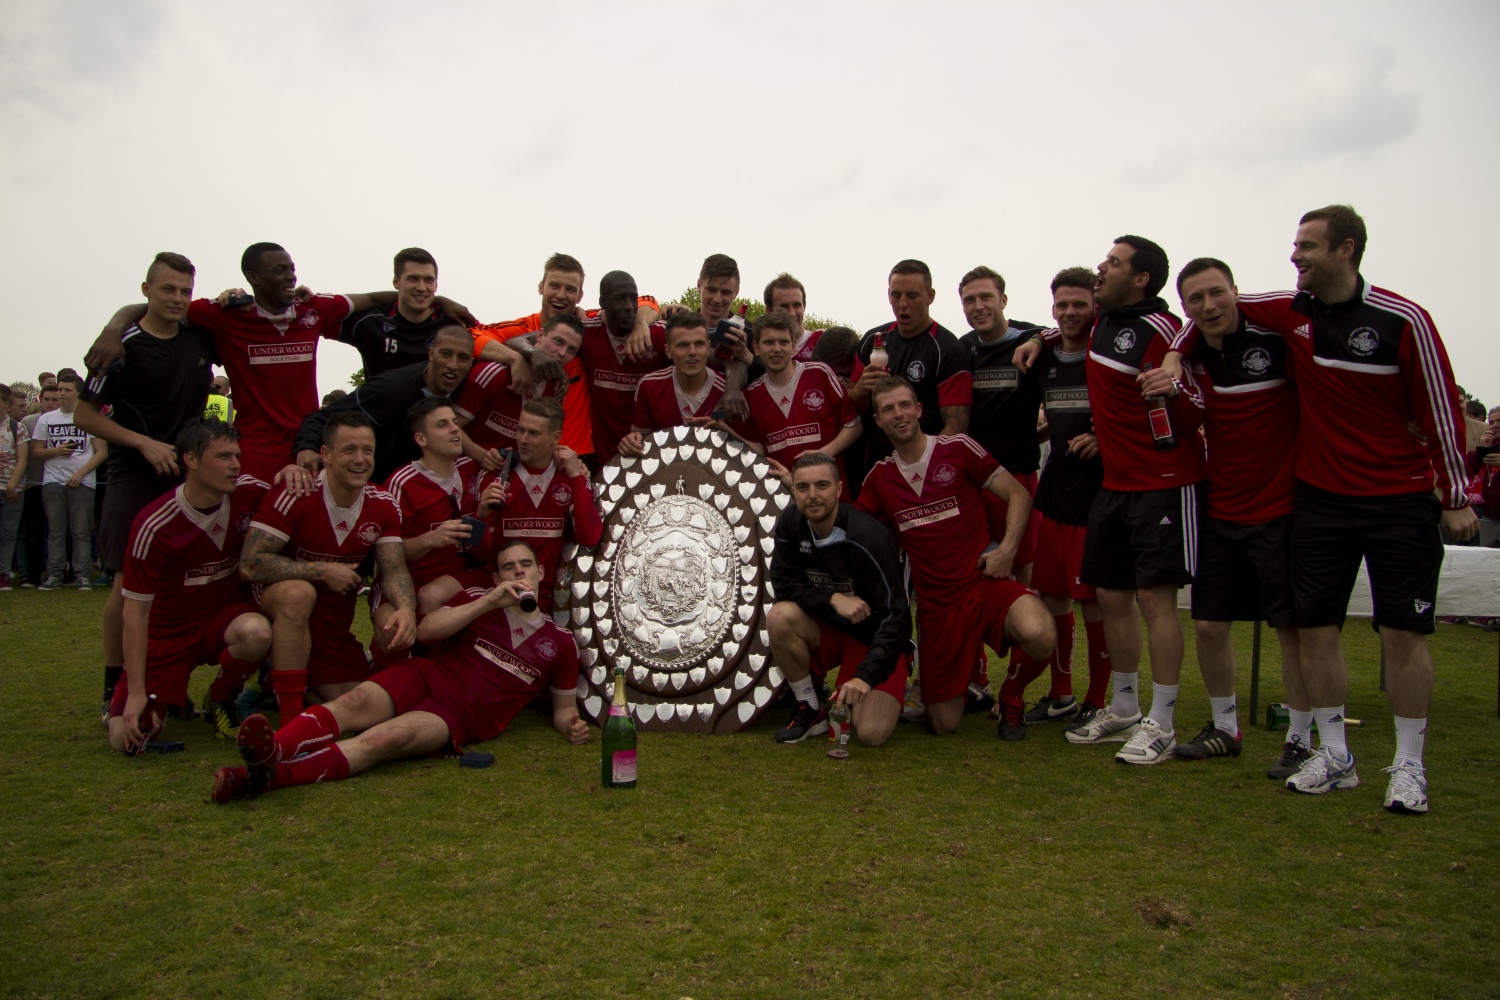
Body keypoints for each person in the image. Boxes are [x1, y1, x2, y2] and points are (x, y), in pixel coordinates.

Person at [1168, 205, 1476, 812]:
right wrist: (1177, 355)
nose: (1295, 256)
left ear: (1347, 250)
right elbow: (1212, 309)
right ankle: (1334, 756)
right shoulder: (1290, 309)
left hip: (1399, 498)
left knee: (1403, 633)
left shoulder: (1403, 319)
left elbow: (1439, 410)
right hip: (1319, 499)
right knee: (1315, 629)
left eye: (1307, 246)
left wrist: (1456, 497)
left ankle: (1409, 765)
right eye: (1294, 244)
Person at [212, 541, 588, 804]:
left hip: (462, 714)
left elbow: (563, 709)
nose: (518, 571)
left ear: (540, 571)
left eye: (525, 565)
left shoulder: (562, 642)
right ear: (496, 577)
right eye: (508, 566)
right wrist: (491, 601)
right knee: (354, 701)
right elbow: (426, 632)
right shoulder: (479, 600)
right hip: (429, 674)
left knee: (382, 741)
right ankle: (276, 748)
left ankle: (264, 777)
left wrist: (570, 724)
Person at [87, 242, 476, 484]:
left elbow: (369, 298)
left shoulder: (312, 309)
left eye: (292, 268)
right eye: (280, 271)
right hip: (255, 447)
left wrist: (442, 302)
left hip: (308, 443)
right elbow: (164, 308)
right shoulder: (225, 313)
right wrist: (113, 328)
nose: (291, 276)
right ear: (253, 277)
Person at [1038, 236, 1204, 765]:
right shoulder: (1101, 324)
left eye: (1112, 263)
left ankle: (1164, 719)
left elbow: (1197, 401)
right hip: (1114, 485)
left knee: (1156, 600)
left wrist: (1177, 379)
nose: (1100, 269)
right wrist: (1037, 340)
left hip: (1163, 481)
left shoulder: (1163, 330)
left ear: (1141, 279)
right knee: (1110, 598)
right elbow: (1064, 328)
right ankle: (1126, 706)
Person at [1156, 258, 1305, 769]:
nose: (1209, 306)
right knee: (1210, 626)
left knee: (1291, 630)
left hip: (1282, 508)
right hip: (1221, 508)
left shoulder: (1277, 342)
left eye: (1217, 293)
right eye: (1196, 299)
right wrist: (1176, 355)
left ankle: (1302, 737)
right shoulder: (1194, 356)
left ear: (1236, 291)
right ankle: (1225, 728)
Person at [854, 376, 1054, 735]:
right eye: (887, 409)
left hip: (984, 583)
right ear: (878, 421)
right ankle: (939, 671)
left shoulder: (957, 448)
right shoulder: (879, 479)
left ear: (919, 409)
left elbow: (1019, 495)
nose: (898, 414)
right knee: (944, 724)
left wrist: (1007, 549)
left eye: (904, 405)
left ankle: (1011, 695)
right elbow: (856, 534)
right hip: (937, 608)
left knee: (1040, 633)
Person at [75, 251, 219, 717]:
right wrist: (143, 443)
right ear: (146, 291)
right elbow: (83, 415)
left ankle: (165, 685)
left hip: (186, 473)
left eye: (185, 291)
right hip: (133, 474)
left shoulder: (199, 339)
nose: (177, 299)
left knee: (175, 583)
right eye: (168, 290)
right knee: (126, 582)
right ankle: (111, 689)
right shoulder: (122, 346)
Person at [240, 411, 417, 718]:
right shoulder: (296, 492)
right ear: (326, 454)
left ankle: (275, 681)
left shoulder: (383, 504)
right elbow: (251, 564)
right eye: (349, 450)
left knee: (363, 707)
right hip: (280, 612)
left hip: (332, 626)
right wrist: (321, 570)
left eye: (368, 451)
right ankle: (291, 719)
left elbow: (394, 569)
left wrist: (406, 608)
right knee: (298, 593)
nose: (360, 459)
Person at [108, 419, 272, 752]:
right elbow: (135, 616)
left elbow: (295, 504)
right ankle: (165, 696)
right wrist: (136, 693)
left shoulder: (250, 491)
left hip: (222, 619)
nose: (235, 465)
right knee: (128, 741)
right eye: (223, 456)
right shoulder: (153, 525)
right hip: (167, 634)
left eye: (237, 456)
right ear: (191, 459)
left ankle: (220, 698)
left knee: (257, 633)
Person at [1003, 268, 1112, 732]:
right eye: (1062, 305)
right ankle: (1061, 693)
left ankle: (1097, 698)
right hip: (1053, 494)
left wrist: (1105, 438)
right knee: (1054, 598)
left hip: (1097, 499)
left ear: (1095, 307)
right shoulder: (1045, 355)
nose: (1070, 313)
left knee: (1096, 603)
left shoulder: (1107, 354)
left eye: (1079, 304)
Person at [767, 452, 911, 747]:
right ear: (793, 490)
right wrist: (832, 598)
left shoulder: (869, 537)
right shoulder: (790, 523)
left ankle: (902, 665)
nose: (812, 495)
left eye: (822, 485)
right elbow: (783, 585)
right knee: (780, 616)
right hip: (831, 629)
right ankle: (809, 708)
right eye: (803, 487)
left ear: (839, 489)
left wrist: (866, 677)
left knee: (870, 734)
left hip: (874, 639)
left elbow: (897, 617)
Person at [474, 253, 661, 465]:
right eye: (554, 286)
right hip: (526, 455)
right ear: (541, 287)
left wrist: (640, 324)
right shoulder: (521, 329)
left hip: (577, 456)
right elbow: (471, 337)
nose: (561, 295)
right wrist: (519, 357)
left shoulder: (588, 324)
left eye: (570, 289)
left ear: (580, 295)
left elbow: (649, 301)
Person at [956, 266, 1045, 714]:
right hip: (974, 486)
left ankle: (1014, 692)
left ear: (1004, 299)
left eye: (985, 297)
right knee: (971, 581)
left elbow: (1069, 331)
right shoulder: (962, 349)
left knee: (1021, 586)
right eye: (969, 300)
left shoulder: (1032, 339)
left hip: (1020, 482)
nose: (978, 307)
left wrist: (1041, 339)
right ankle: (975, 681)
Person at [290, 325, 477, 485]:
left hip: (425, 489)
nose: (453, 365)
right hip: (373, 486)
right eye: (446, 354)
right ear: (431, 353)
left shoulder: (471, 384)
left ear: (471, 362)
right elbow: (323, 417)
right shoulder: (390, 390)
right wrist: (307, 447)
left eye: (462, 358)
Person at [380, 397, 506, 632]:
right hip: (416, 583)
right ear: (421, 439)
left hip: (464, 579)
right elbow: (387, 555)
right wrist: (430, 539)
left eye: (455, 422)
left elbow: (481, 549)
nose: (455, 429)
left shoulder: (472, 468)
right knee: (391, 633)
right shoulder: (402, 483)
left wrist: (480, 515)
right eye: (442, 425)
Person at [728, 309, 860, 473]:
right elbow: (761, 449)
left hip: (830, 490)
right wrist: (726, 430)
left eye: (783, 342)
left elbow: (853, 425)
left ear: (794, 345)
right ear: (756, 347)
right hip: (781, 494)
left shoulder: (820, 373)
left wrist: (825, 453)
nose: (777, 349)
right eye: (769, 342)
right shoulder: (753, 394)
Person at [453, 314, 581, 464]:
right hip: (467, 468)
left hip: (513, 475)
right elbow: (452, 426)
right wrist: (482, 456)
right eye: (558, 342)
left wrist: (570, 461)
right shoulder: (494, 373)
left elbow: (545, 445)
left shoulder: (557, 389)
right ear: (539, 335)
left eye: (571, 350)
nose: (562, 352)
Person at [574, 271, 671, 458]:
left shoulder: (657, 334)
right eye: (620, 299)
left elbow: (697, 343)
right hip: (604, 457)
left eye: (633, 299)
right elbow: (544, 339)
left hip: (652, 456)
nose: (629, 307)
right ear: (602, 303)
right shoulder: (587, 333)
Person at [32, 374, 107, 590]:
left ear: (78, 393)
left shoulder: (88, 417)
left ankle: (82, 575)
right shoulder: (46, 419)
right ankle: (55, 574)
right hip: (53, 482)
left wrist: (80, 473)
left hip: (82, 482)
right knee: (56, 530)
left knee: (81, 531)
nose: (62, 394)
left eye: (67, 390)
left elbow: (102, 451)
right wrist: (55, 451)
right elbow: (36, 451)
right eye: (60, 389)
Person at [620, 312, 726, 455]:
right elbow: (640, 439)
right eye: (683, 345)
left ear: (708, 348)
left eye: (699, 344)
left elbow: (744, 450)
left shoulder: (727, 390)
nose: (692, 352)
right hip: (666, 474)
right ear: (668, 351)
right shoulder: (649, 386)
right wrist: (631, 443)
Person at [340, 248, 455, 378]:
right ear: (396, 282)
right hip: (379, 397)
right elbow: (318, 315)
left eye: (429, 280)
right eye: (413, 279)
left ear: (436, 284)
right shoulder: (369, 321)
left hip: (436, 399)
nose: (422, 287)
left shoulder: (453, 325)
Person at [0, 385, 29, 590]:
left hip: (12, 490)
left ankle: (3, 574)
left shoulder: (16, 428)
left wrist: (11, 485)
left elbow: (23, 458)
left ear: (6, 404)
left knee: (9, 533)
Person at [763, 272, 824, 361]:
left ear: (804, 306)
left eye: (796, 305)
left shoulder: (821, 341)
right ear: (769, 311)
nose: (792, 313)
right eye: (784, 307)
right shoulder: (759, 349)